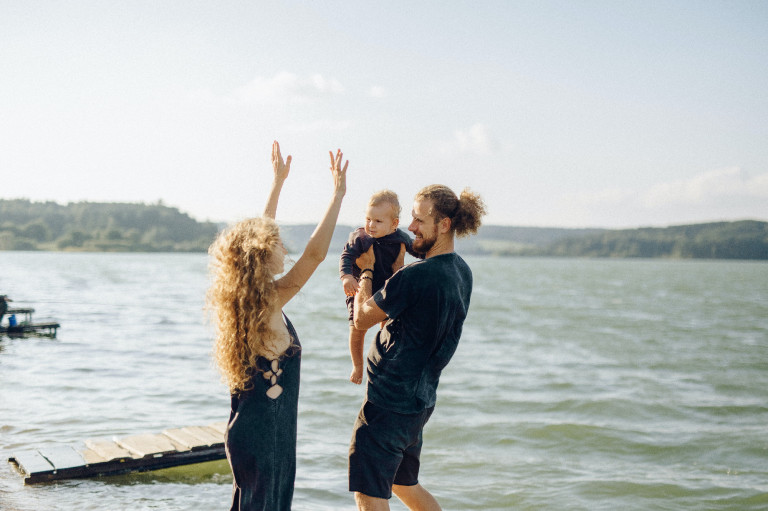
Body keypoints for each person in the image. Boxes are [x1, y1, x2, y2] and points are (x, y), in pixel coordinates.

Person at [207, 141, 348, 511]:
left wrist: (278, 183)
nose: (285, 249)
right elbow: (315, 255)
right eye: (278, 245)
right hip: (266, 436)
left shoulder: (247, 301)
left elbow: (258, 235)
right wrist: (337, 196)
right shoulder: (266, 302)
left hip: (254, 431)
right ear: (261, 255)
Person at [348, 184, 486, 510]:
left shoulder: (415, 277)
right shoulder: (461, 271)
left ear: (444, 225)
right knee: (403, 483)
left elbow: (362, 318)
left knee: (369, 492)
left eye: (419, 220)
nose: (410, 227)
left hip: (389, 403)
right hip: (419, 402)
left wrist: (367, 268)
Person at [339, 190, 421, 384]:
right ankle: (358, 366)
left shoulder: (400, 238)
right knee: (356, 328)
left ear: (393, 224)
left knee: (387, 324)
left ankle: (384, 357)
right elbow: (346, 256)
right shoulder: (360, 237)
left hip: (384, 288)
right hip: (359, 288)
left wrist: (429, 259)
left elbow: (417, 251)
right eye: (368, 219)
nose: (370, 225)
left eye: (377, 221)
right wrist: (346, 277)